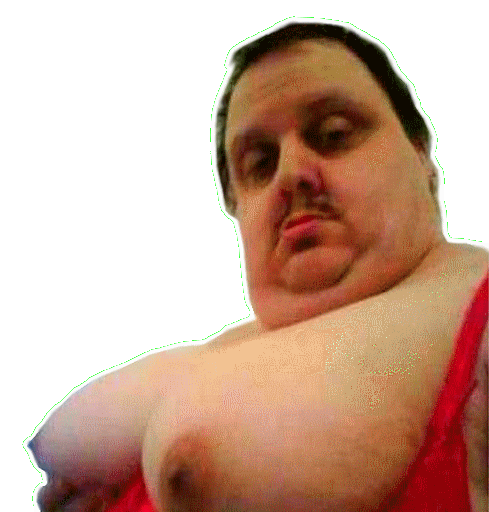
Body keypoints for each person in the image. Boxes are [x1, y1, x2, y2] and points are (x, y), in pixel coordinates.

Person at [26, 18, 488, 512]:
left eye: (334, 134)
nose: (291, 173)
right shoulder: (206, 366)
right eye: (259, 165)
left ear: (424, 159)